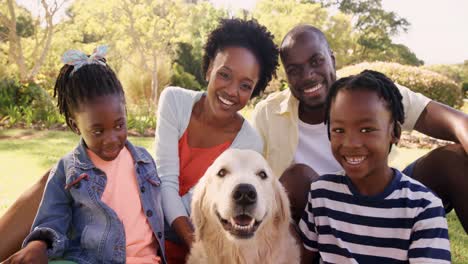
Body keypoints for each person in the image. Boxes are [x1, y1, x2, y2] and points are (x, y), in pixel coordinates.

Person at [252, 25, 468, 232]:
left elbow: (457, 122)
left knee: (452, 160)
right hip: (320, 220)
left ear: (332, 59)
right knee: (296, 179)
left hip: (382, 203)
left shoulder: (371, 94)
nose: (308, 75)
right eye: (294, 70)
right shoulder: (268, 113)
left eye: (316, 61)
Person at [4, 46, 166, 264]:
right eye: (98, 131)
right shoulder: (68, 169)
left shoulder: (144, 161)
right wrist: (38, 244)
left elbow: (158, 215)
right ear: (75, 126)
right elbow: (53, 217)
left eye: (119, 125)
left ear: (125, 114)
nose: (111, 138)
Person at [155, 18, 279, 263]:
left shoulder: (249, 142)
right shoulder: (174, 102)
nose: (232, 91)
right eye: (224, 74)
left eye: (245, 85)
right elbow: (165, 182)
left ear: (254, 91)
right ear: (209, 68)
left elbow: (202, 206)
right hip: (152, 227)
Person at [299, 70, 451, 263]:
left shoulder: (424, 208)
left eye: (366, 129)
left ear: (394, 133)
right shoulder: (321, 195)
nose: (351, 143)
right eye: (338, 130)